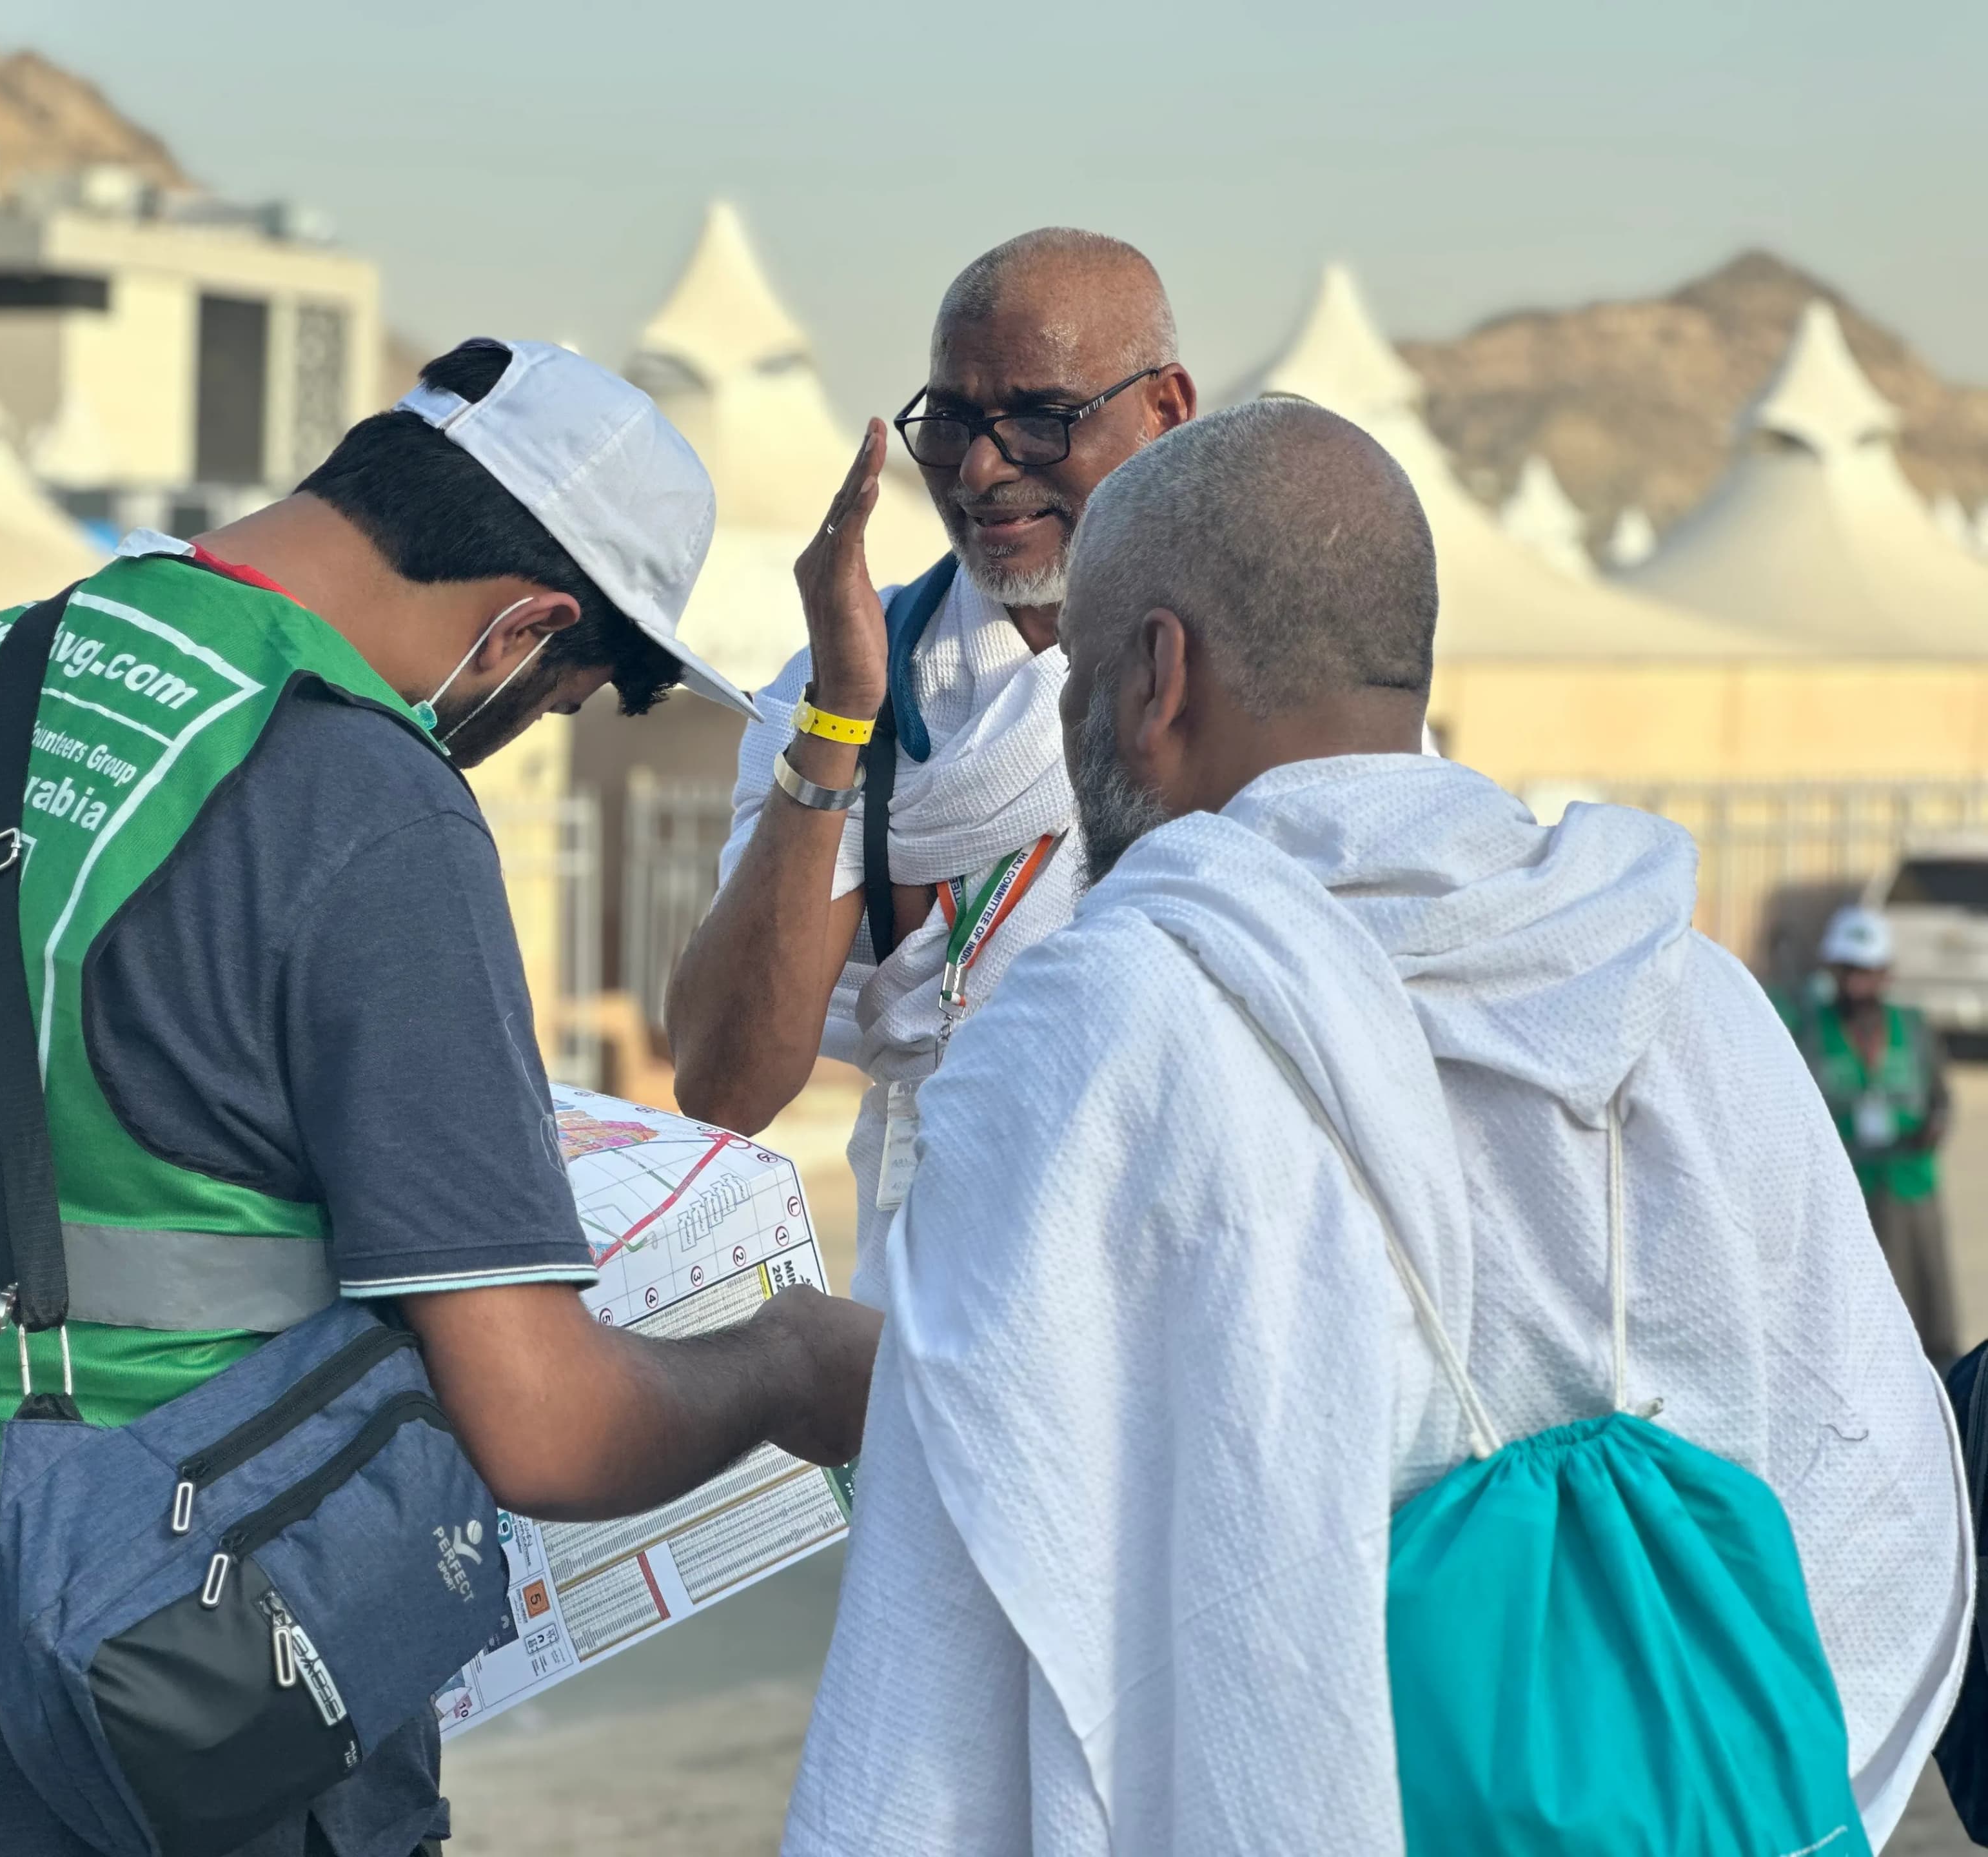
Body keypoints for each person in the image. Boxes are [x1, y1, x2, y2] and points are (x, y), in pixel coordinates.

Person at [0, 339, 882, 1857]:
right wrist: (783, 1359)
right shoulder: (356, 795)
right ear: (525, 629)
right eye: (562, 699)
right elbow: (547, 1430)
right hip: (152, 1704)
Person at [785, 399, 1969, 1853]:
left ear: (1158, 674)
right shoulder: (1685, 989)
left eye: (1085, 672)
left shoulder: (1101, 1034)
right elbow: (1872, 1485)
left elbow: (971, 1611)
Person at [665, 229, 1195, 1299]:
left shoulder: (1265, 670)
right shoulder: (857, 680)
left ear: (1165, 411)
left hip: (1181, 1271)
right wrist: (839, 718)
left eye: (1040, 421)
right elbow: (724, 1085)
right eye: (950, 422)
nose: (983, 472)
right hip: (938, 1286)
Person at [1799, 903, 1958, 1361]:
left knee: (1928, 1298)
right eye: (1848, 973)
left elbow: (1941, 1097)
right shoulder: (1808, 1030)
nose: (1857, 985)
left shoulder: (1913, 1026)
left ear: (1886, 975)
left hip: (1912, 1183)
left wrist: (1936, 1126)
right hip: (1847, 1189)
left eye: (1867, 973)